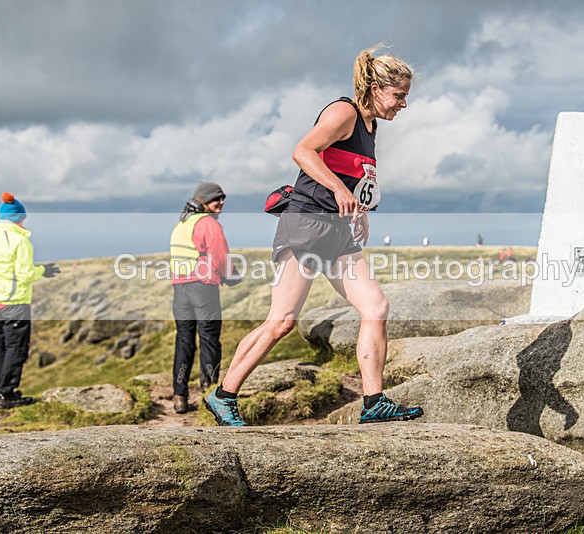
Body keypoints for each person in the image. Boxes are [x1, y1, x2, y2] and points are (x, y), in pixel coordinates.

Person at [203, 45, 423, 426]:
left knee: (376, 307)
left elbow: (353, 175)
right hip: (305, 223)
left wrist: (360, 210)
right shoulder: (344, 113)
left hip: (338, 232)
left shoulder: (371, 128)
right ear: (375, 88)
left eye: (405, 96)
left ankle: (373, 402)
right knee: (282, 321)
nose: (403, 104)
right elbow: (303, 152)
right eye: (398, 95)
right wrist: (338, 190)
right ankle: (224, 396)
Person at [0, 192, 60, 409]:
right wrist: (43, 271)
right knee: (16, 348)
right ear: (20, 218)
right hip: (14, 303)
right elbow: (25, 274)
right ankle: (7, 394)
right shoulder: (21, 241)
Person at [169, 182, 240, 414]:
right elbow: (219, 257)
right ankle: (208, 396)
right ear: (202, 201)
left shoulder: (181, 224)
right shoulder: (208, 223)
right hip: (203, 288)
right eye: (215, 198)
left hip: (180, 289)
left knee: (184, 340)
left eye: (223, 197)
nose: (221, 202)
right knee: (209, 340)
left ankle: (180, 396)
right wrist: (229, 275)